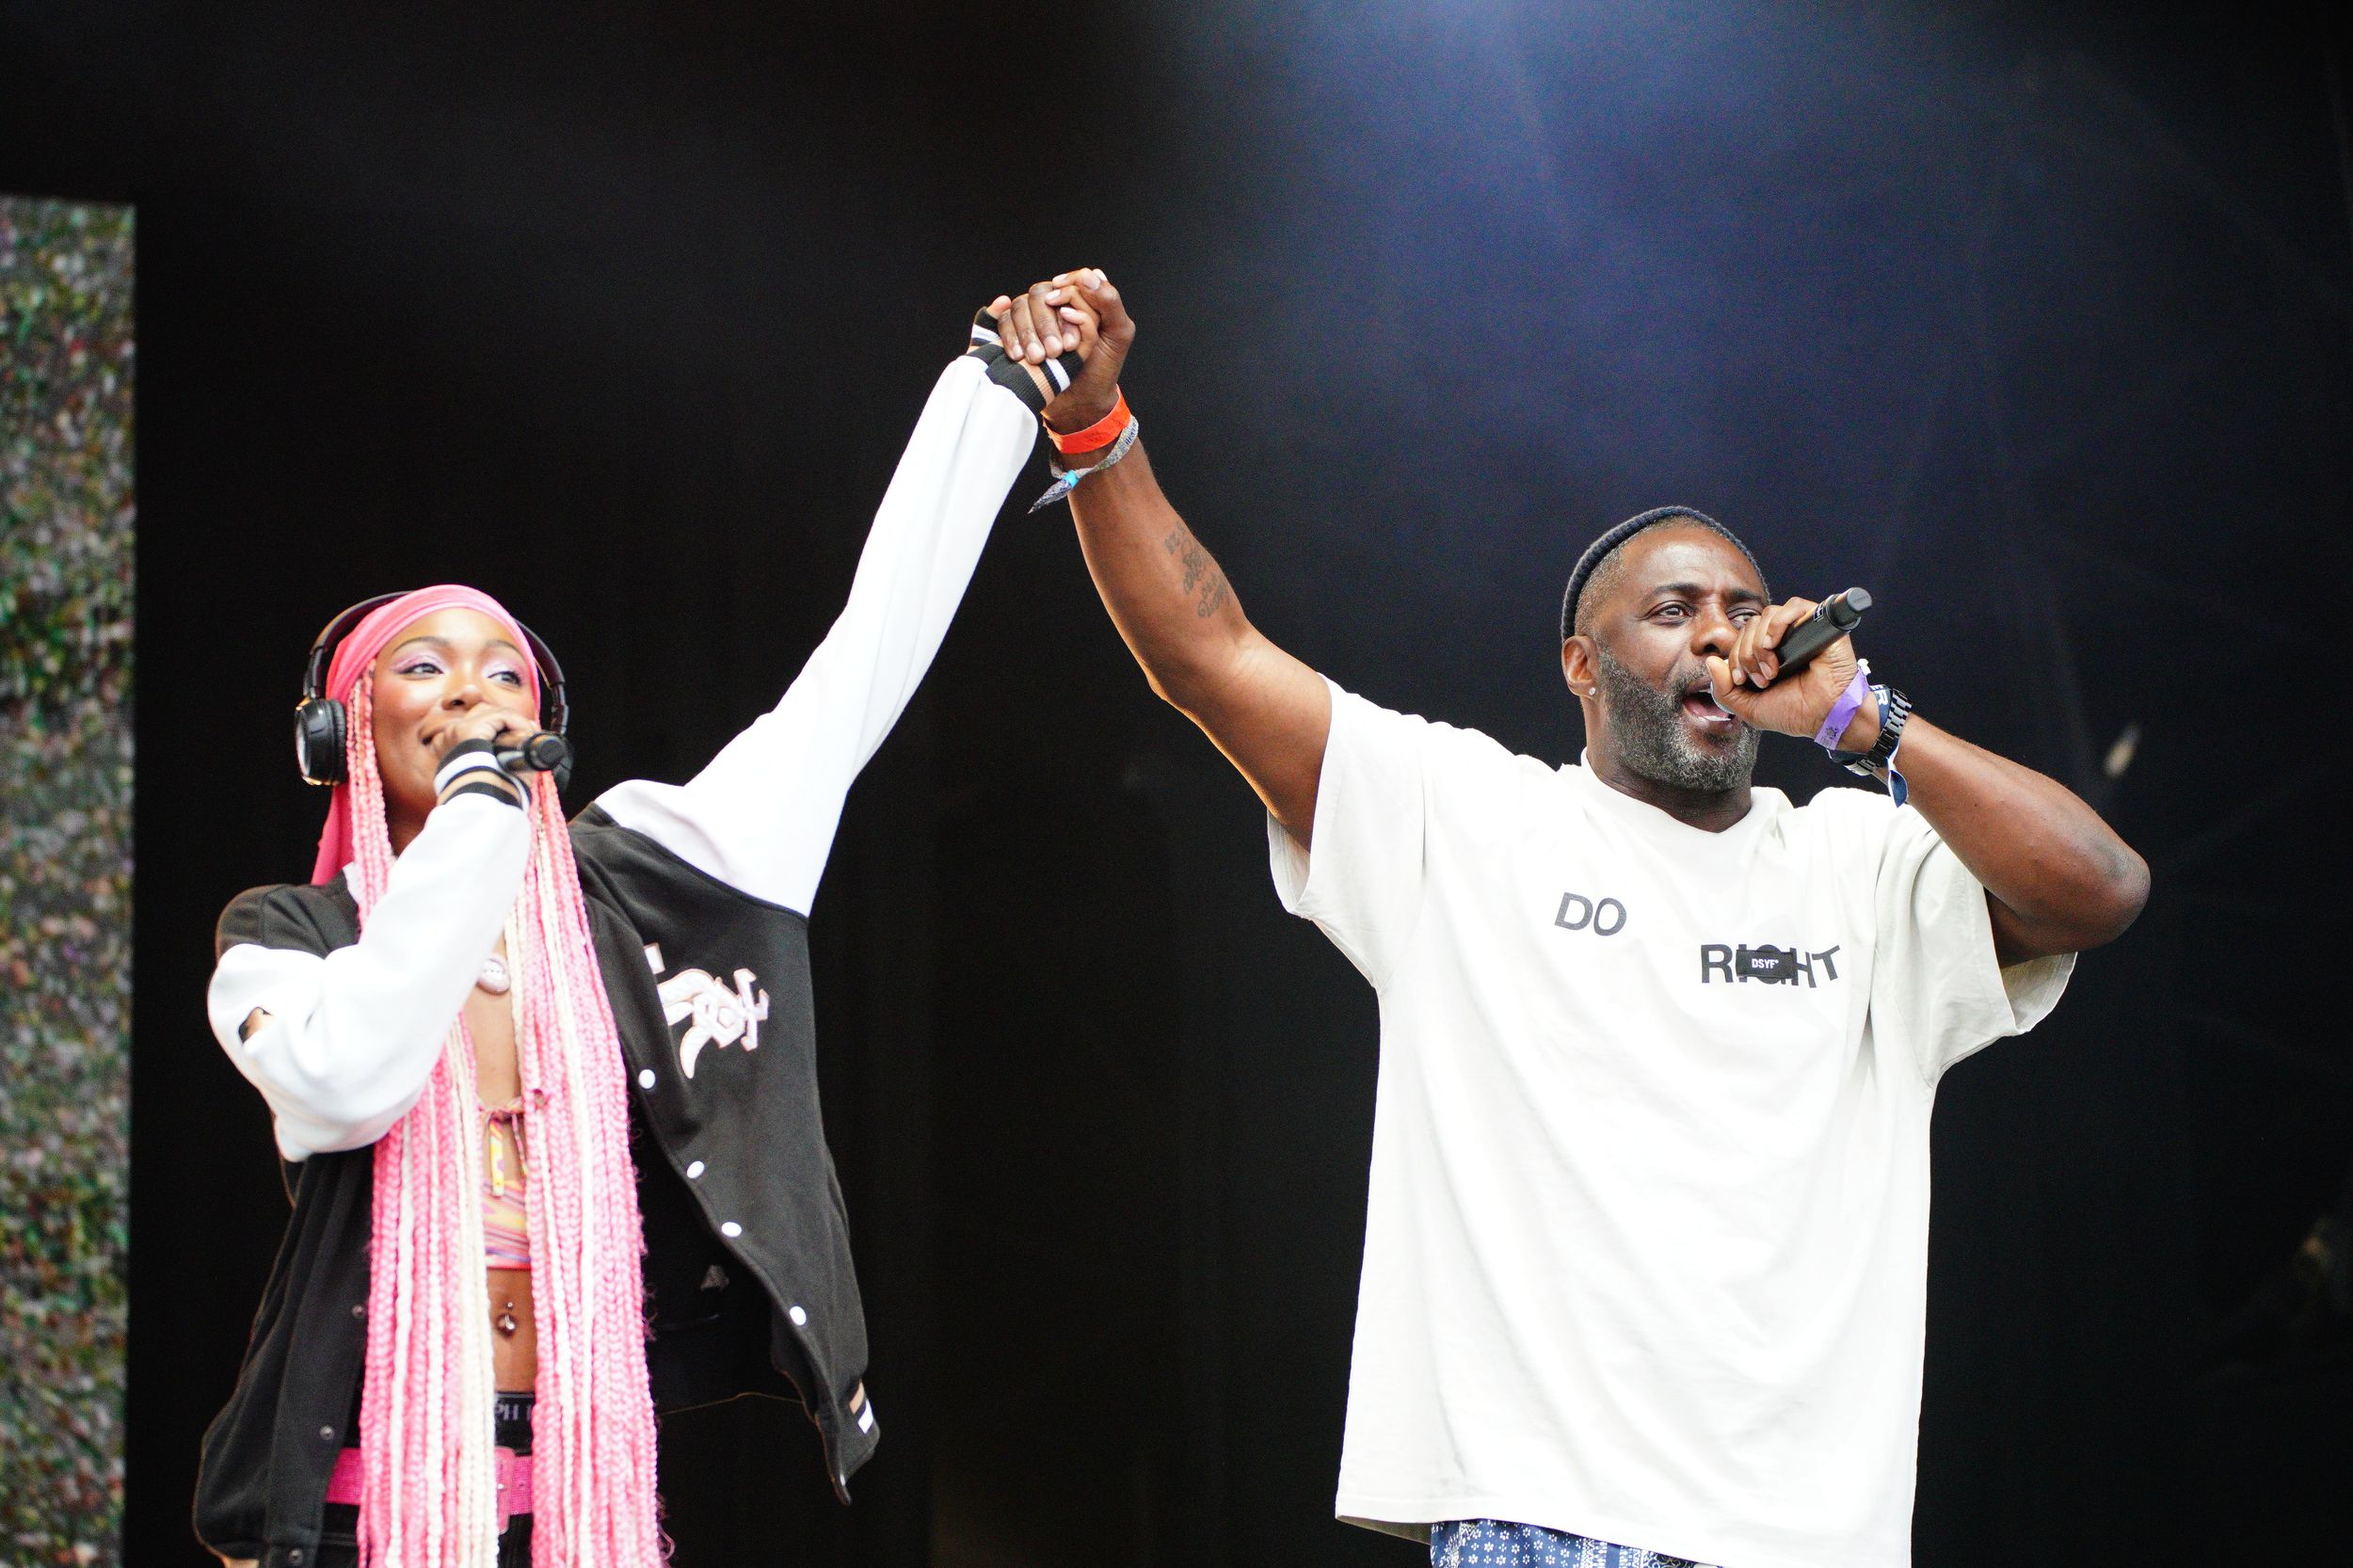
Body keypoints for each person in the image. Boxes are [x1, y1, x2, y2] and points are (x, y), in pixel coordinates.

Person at [989, 270, 2150, 1568]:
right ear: (1579, 665)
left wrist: (1866, 726)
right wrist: (1096, 431)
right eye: (1671, 612)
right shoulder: (1468, 819)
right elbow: (1208, 656)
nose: (1720, 638)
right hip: (1551, 1518)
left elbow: (2097, 889)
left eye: (1737, 610)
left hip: (1817, 1539)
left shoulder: (1862, 867)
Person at [195, 314, 1082, 1568]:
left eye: (505, 676)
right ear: (346, 729)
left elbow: (857, 673)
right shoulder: (289, 933)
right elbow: (348, 1078)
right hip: (362, 1495)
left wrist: (995, 389)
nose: (470, 693)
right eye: (425, 667)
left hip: (576, 1476)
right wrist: (476, 814)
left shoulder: (645, 878)